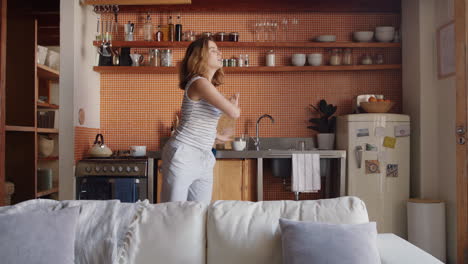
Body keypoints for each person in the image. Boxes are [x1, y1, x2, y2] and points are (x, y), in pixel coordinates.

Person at [161, 37, 240, 203]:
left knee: (200, 212)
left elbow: (199, 120)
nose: (219, 52)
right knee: (172, 213)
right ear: (199, 57)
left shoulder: (208, 86)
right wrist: (233, 106)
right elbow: (233, 113)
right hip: (184, 154)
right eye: (212, 50)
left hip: (204, 156)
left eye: (218, 49)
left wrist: (217, 136)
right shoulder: (199, 82)